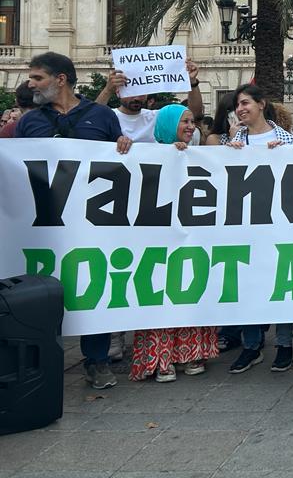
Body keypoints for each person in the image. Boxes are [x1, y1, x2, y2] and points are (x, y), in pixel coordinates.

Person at [15, 52, 131, 390]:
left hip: (92, 223)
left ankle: (96, 360)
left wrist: (124, 145)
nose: (30, 84)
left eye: (37, 78)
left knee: (93, 287)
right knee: (43, 292)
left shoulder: (101, 116)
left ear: (60, 79)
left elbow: (120, 162)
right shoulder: (29, 122)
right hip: (46, 225)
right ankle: (40, 363)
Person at [129, 105, 219, 382]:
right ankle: (161, 358)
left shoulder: (197, 154)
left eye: (193, 121)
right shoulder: (144, 153)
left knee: (189, 290)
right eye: (184, 122)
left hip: (191, 237)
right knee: (159, 294)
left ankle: (191, 353)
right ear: (168, 125)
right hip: (156, 238)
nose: (191, 126)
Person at [225, 84, 293, 373]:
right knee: (250, 285)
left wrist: (291, 152)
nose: (240, 109)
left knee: (283, 284)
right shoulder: (233, 143)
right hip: (246, 228)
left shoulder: (286, 139)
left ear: (261, 104)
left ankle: (284, 344)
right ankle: (251, 345)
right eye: (237, 105)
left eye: (245, 103)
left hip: (280, 226)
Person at [96, 59, 204, 142]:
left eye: (142, 92)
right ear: (118, 92)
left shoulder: (156, 117)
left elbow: (195, 114)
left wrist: (192, 82)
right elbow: (91, 118)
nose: (137, 98)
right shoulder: (109, 116)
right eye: (132, 92)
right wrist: (107, 90)